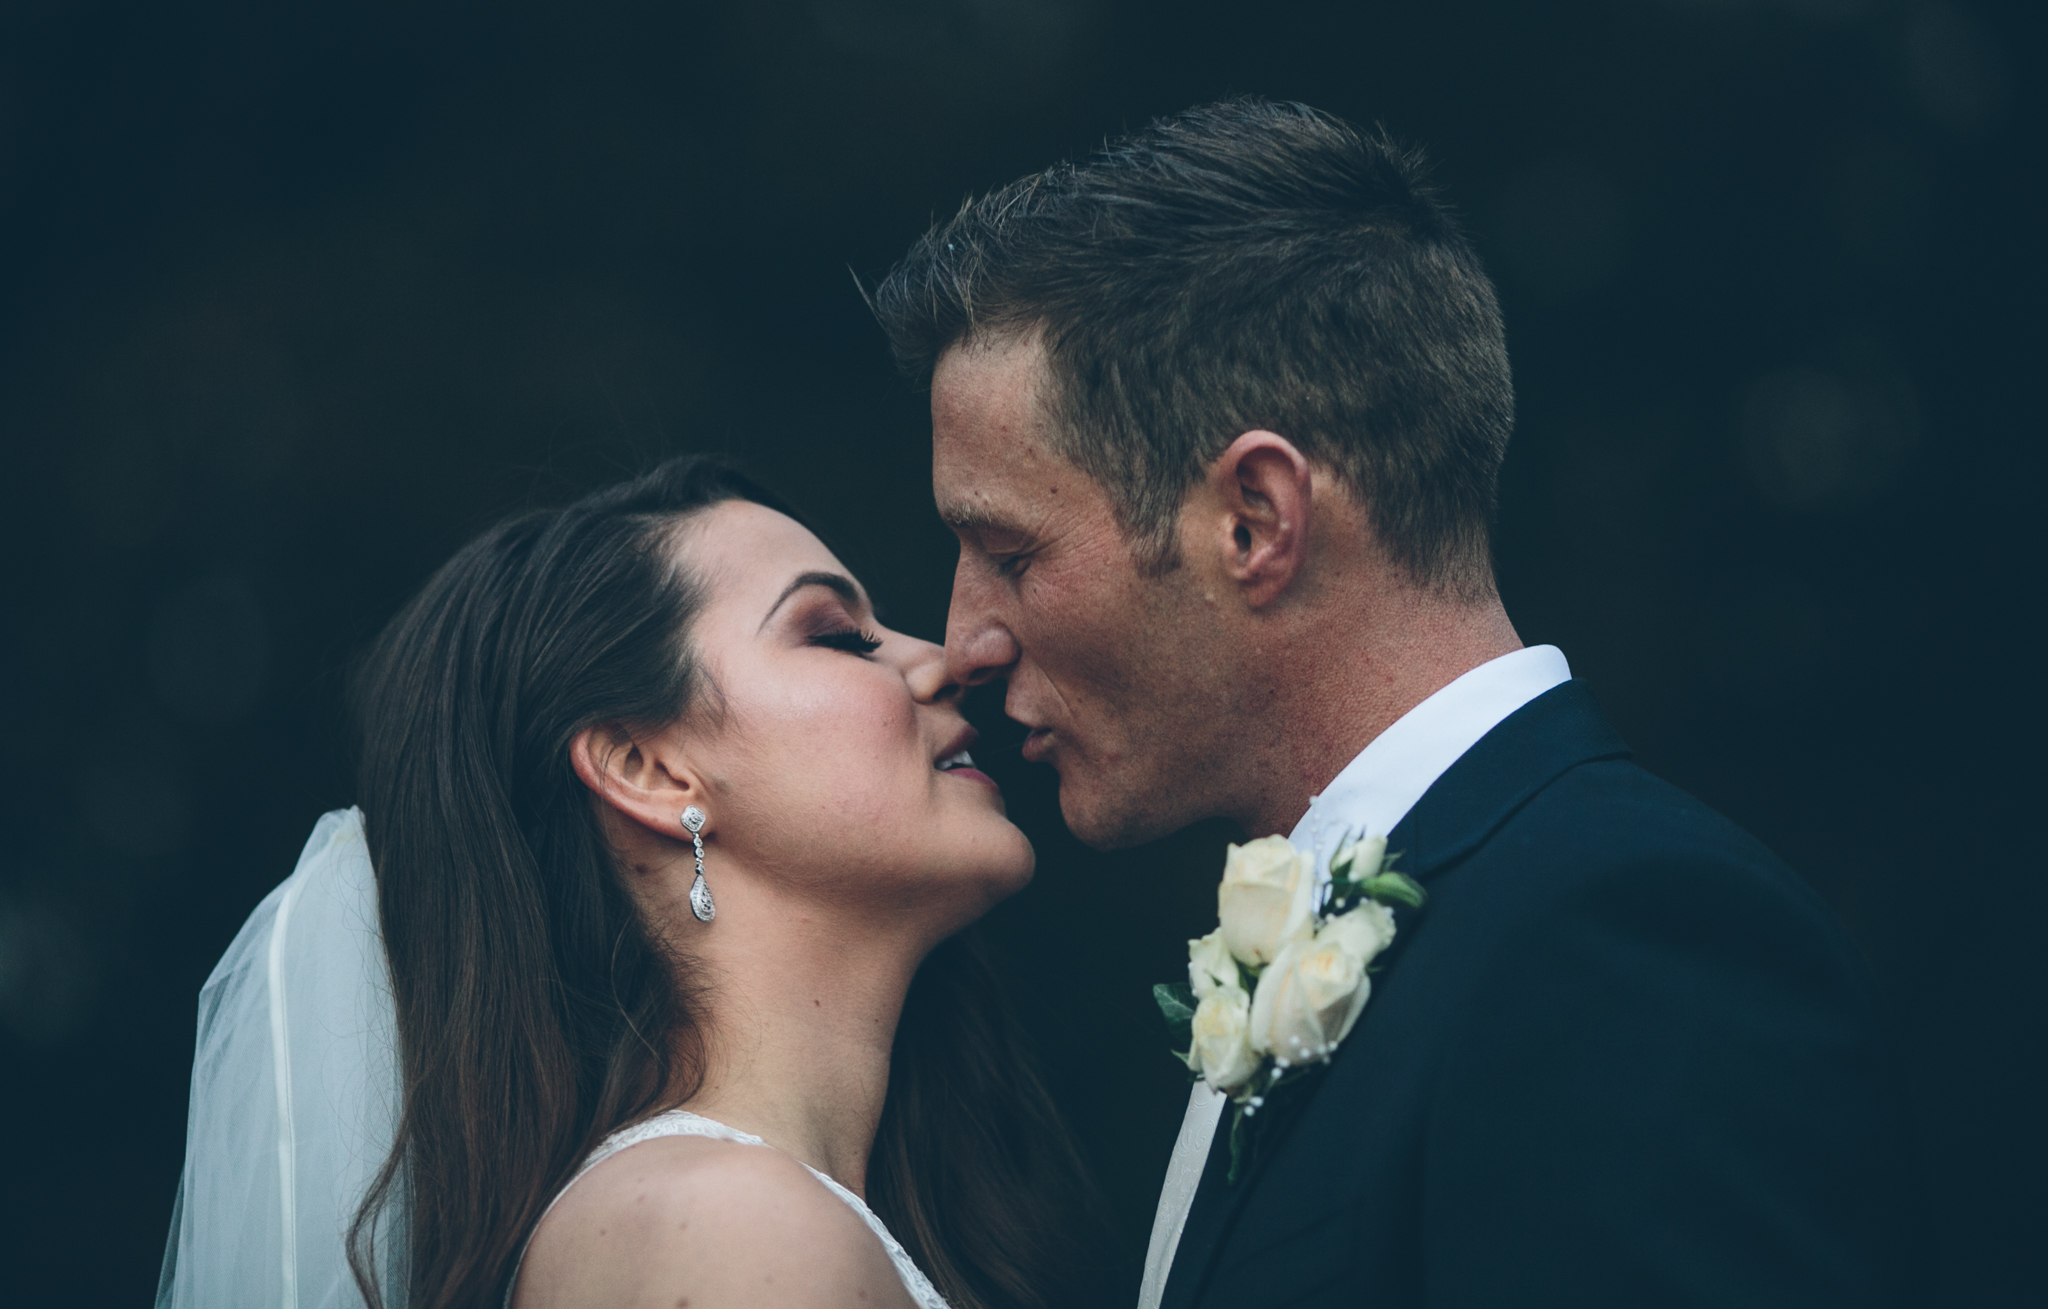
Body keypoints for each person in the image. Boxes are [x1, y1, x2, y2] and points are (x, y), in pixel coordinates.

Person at [873, 98, 1916, 1308]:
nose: (963, 641)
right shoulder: (1441, 929)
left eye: (1009, 552)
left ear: (1254, 522)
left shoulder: (1622, 944)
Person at [156, 457, 1104, 1309]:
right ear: (648, 770)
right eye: (839, 635)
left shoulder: (740, 1218)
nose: (939, 663)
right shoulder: (727, 1234)